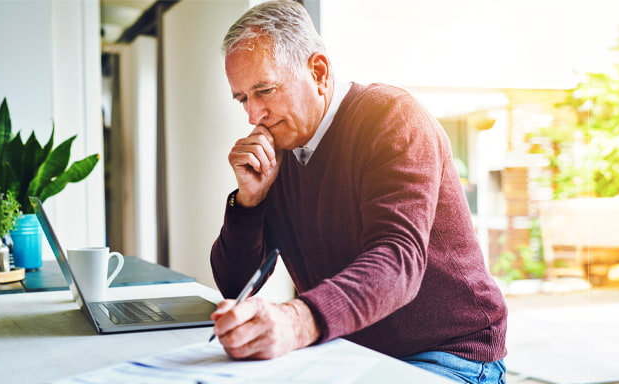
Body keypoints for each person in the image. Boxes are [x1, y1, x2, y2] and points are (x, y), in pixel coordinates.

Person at [209, 1, 507, 383]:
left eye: (264, 90)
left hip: (447, 353)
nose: (253, 115)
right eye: (243, 98)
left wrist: (298, 319)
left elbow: (398, 259)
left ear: (318, 71)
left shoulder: (392, 117)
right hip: (346, 351)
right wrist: (250, 201)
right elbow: (235, 285)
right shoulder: (279, 150)